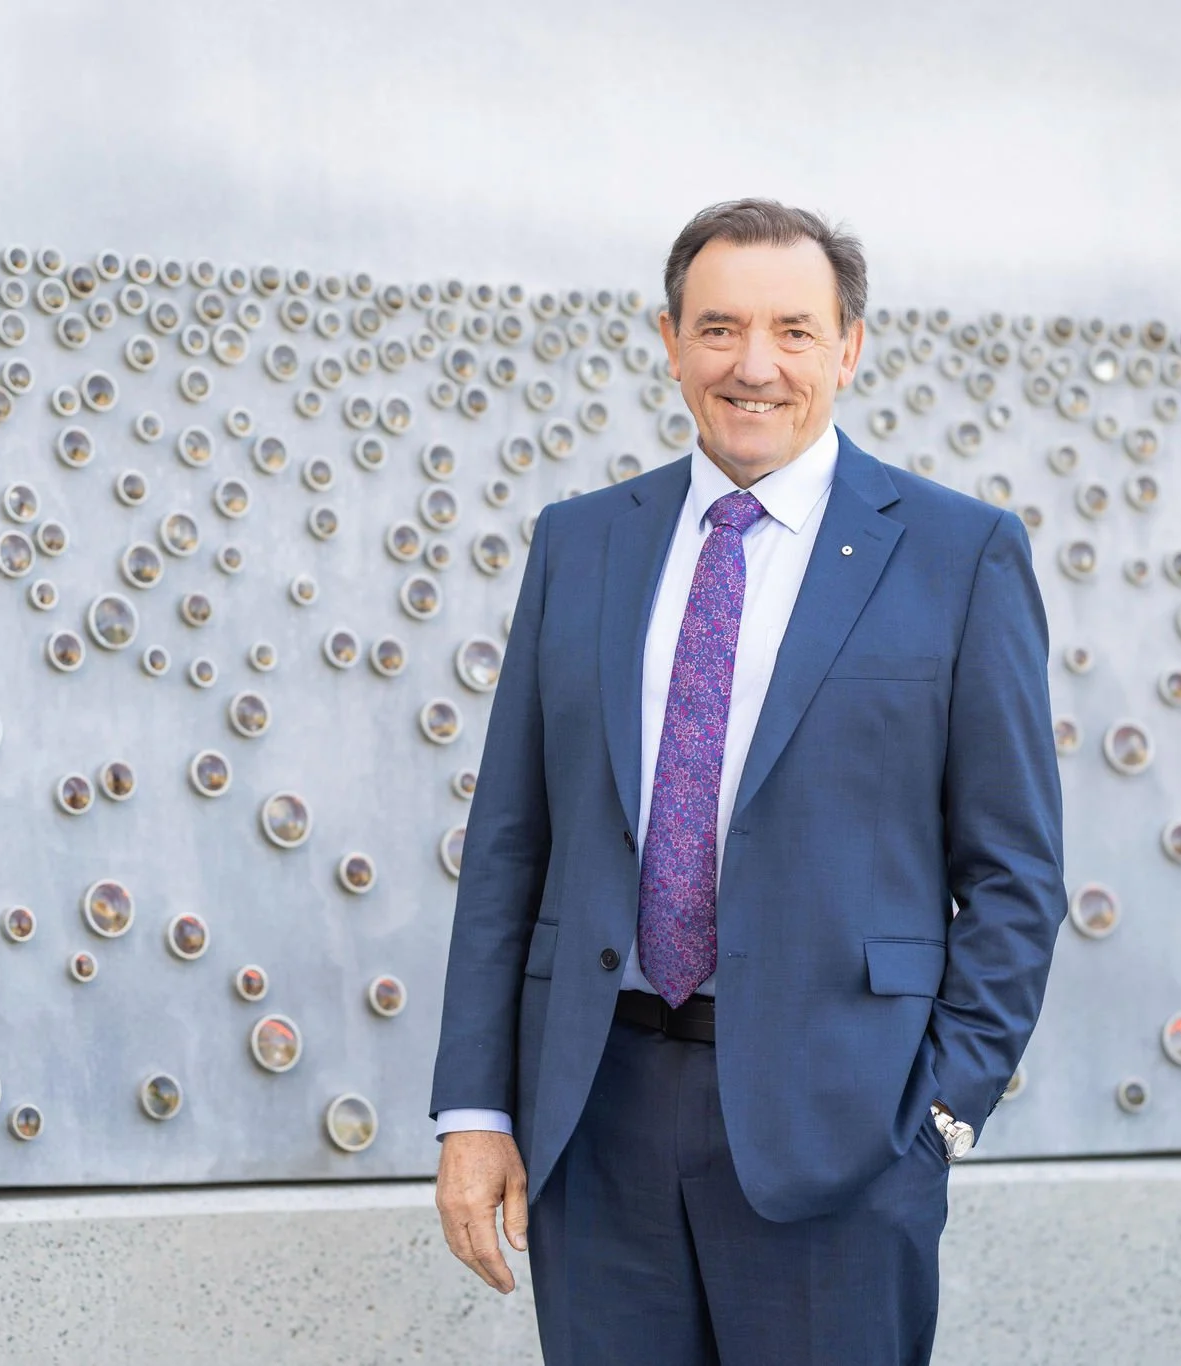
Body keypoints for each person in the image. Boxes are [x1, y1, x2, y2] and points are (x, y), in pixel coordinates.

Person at [429, 197, 1065, 1364]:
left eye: (793, 330)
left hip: (843, 1127)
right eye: (718, 328)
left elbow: (1015, 872)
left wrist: (940, 1110)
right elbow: (514, 839)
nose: (753, 366)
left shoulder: (956, 553)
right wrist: (475, 1110)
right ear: (668, 340)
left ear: (848, 348)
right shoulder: (579, 542)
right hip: (595, 1114)